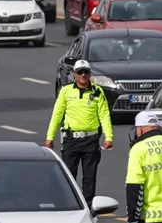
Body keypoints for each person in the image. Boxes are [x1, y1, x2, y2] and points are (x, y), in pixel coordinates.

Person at [46, 60, 113, 209]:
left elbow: (104, 115)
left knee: (90, 176)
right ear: (74, 74)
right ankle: (69, 204)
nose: (83, 75)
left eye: (86, 72)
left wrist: (109, 137)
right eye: (80, 72)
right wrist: (50, 137)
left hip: (91, 140)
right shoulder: (66, 91)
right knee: (69, 175)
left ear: (90, 74)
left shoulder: (97, 91)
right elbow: (57, 114)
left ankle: (88, 207)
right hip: (71, 140)